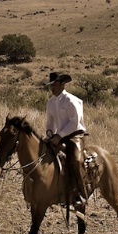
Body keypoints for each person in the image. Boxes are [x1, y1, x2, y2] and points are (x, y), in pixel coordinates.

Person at [45, 71, 89, 207]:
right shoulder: (50, 103)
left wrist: (59, 135)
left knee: (75, 160)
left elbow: (74, 122)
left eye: (55, 84)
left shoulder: (71, 100)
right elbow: (50, 123)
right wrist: (49, 136)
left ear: (63, 85)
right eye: (51, 85)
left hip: (75, 134)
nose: (53, 88)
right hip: (59, 136)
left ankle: (81, 195)